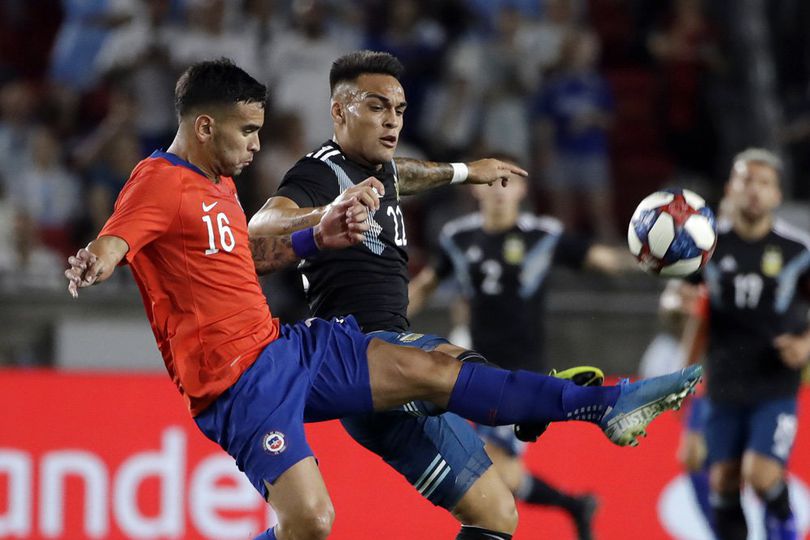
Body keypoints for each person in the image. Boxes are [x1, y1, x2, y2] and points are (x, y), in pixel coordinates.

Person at [65, 58, 702, 540]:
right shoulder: (167, 181)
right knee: (313, 518)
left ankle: (602, 403)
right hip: (237, 382)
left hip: (285, 346)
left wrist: (323, 236)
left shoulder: (218, 180)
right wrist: (98, 258)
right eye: (248, 131)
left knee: (496, 509)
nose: (258, 144)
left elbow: (249, 254)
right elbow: (127, 236)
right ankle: (548, 402)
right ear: (205, 126)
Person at [407, 156, 636, 540]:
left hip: (524, 374)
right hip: (475, 371)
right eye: (492, 182)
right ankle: (575, 506)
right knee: (497, 474)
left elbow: (602, 259)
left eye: (508, 181)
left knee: (495, 472)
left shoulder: (541, 235)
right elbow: (426, 285)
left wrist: (648, 260)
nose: (499, 190)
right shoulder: (458, 238)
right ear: (476, 188)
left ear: (522, 189)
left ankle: (566, 508)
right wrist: (381, 322)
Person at [676, 149, 810, 540]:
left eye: (764, 183)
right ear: (730, 189)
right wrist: (673, 306)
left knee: (762, 474)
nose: (754, 190)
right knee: (721, 480)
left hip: (775, 384)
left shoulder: (797, 252)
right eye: (746, 180)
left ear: (777, 196)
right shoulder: (705, 249)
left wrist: (806, 344)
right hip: (723, 382)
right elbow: (685, 314)